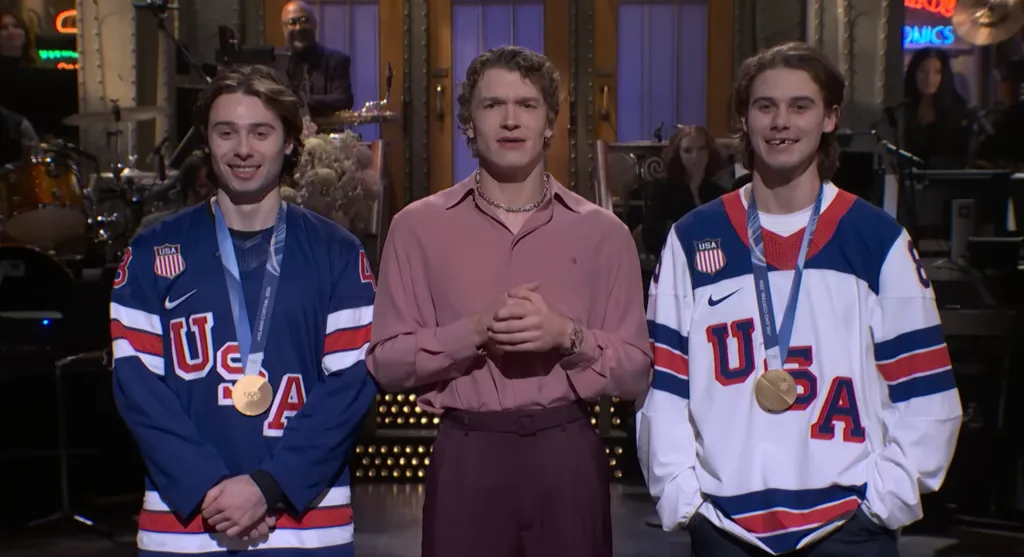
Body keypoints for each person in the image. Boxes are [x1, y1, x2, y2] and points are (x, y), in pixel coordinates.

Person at [638, 41, 962, 557]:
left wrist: (886, 500)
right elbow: (665, 389)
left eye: (800, 105)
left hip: (850, 527)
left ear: (830, 117)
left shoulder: (876, 240)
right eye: (765, 106)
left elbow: (926, 393)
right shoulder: (693, 238)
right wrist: (684, 499)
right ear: (744, 119)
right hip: (725, 529)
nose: (780, 122)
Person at [367, 45, 652, 557]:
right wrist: (472, 331)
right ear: (468, 124)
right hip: (466, 454)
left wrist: (568, 336)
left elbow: (635, 374)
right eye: (493, 105)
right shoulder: (417, 227)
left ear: (549, 123)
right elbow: (386, 362)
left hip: (566, 453)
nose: (510, 120)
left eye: (527, 105)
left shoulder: (604, 234)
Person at [110, 64, 376, 556]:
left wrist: (268, 487)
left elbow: (351, 383)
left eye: (261, 132)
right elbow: (137, 385)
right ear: (207, 142)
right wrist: (211, 489)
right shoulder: (152, 250)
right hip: (186, 525)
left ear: (290, 142)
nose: (243, 149)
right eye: (226, 132)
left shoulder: (339, 254)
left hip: (307, 524)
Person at [641, 124, 729, 257]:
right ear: (678, 154)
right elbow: (651, 238)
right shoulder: (664, 190)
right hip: (676, 262)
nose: (696, 156)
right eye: (688, 151)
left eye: (702, 149)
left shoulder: (719, 193)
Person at [278, 1, 354, 119]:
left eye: (304, 20)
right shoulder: (276, 62)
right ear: (283, 29)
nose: (298, 28)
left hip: (326, 135)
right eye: (292, 22)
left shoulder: (337, 61)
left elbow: (343, 99)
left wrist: (297, 102)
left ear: (315, 24)